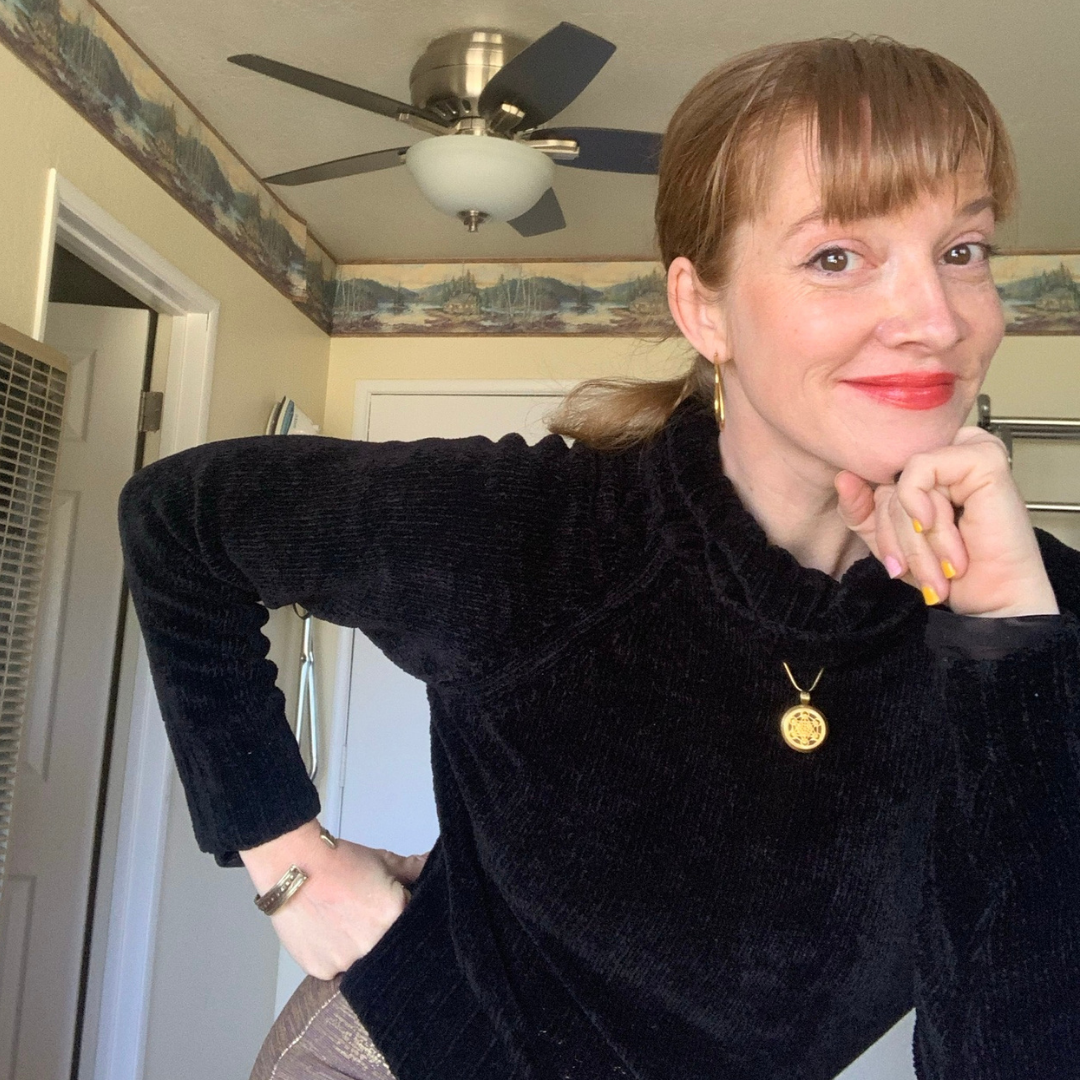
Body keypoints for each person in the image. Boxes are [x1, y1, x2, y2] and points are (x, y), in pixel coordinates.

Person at [118, 35, 1080, 1080]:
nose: (935, 320)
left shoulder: (1033, 615)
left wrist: (1008, 652)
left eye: (963, 250)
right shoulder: (538, 535)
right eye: (837, 257)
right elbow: (176, 525)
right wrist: (287, 862)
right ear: (703, 308)